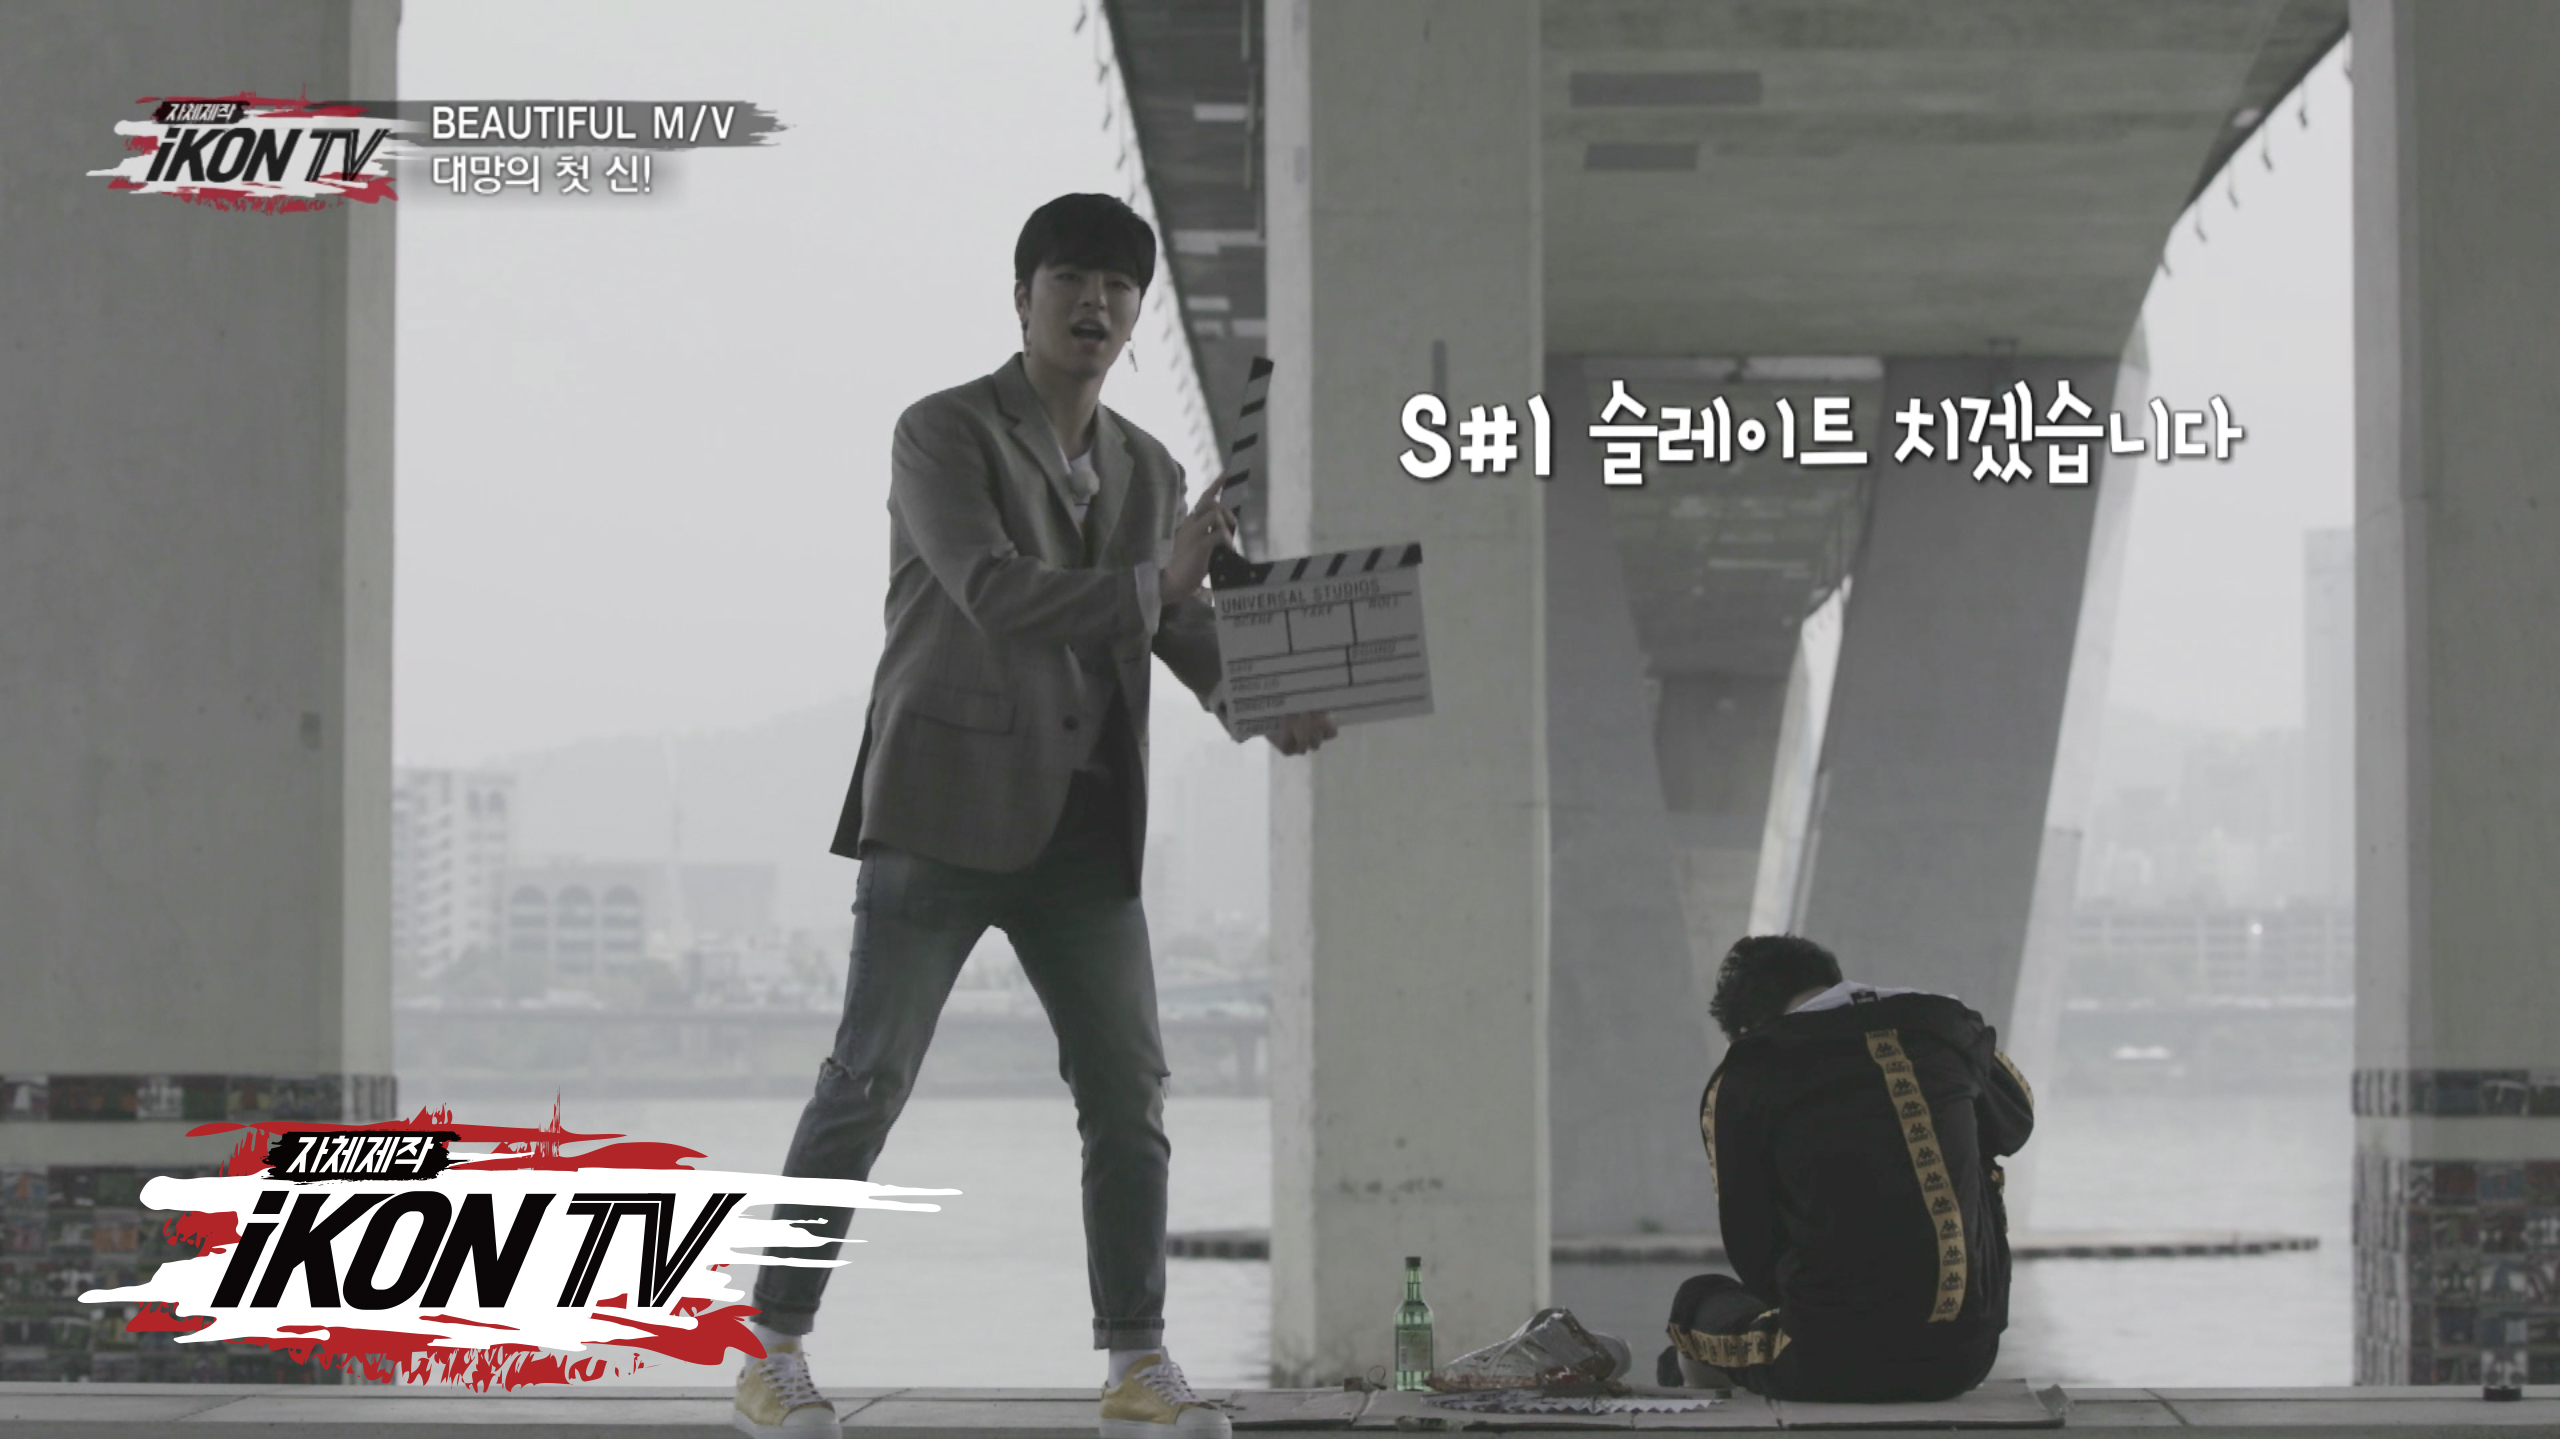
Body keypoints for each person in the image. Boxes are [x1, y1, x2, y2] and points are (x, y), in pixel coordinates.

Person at [731, 192, 1336, 1439]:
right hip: (938, 809)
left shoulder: (1150, 466)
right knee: (865, 1079)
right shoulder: (941, 431)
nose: (1095, 303)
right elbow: (993, 592)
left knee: (1130, 1092)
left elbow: (1171, 624)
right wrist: (1156, 576)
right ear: (1022, 296)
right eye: (1070, 279)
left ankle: (1136, 1359)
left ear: (1136, 311)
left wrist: (1262, 699)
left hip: (1087, 826)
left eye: (1118, 286)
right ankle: (770, 1350)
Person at [1661, 934, 2034, 1403]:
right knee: (1978, 1151)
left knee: (1697, 1302)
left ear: (1750, 1026)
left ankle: (1685, 1375)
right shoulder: (1946, 1028)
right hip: (1964, 1356)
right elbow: (2016, 1122)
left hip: (1827, 1363)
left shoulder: (1748, 1073)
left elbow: (1750, 1242)